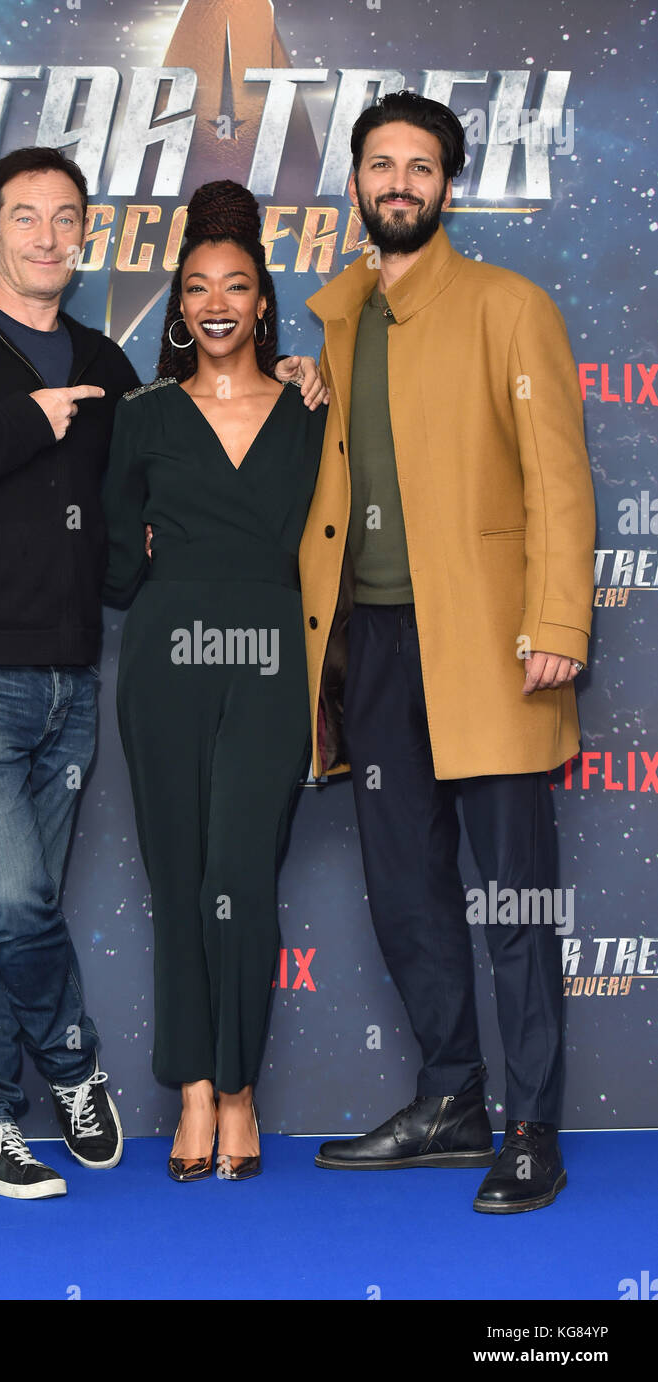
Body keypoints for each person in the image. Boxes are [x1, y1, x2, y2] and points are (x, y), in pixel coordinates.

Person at [0, 147, 322, 1199]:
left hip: (84, 676)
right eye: (24, 217)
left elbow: (136, 533)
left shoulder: (126, 377)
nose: (44, 236)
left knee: (36, 901)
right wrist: (23, 422)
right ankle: (91, 1071)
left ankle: (2, 1113)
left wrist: (311, 368)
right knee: (27, 894)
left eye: (64, 218)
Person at [301, 93, 595, 1213]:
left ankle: (532, 1128)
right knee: (407, 890)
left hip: (487, 641)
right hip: (371, 648)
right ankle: (450, 1101)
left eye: (419, 167)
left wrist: (559, 623)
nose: (398, 184)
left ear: (447, 188)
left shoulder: (509, 306)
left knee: (513, 900)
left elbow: (560, 480)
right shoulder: (338, 323)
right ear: (358, 188)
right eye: (380, 165)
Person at [102, 180, 328, 1181]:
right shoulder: (143, 416)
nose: (217, 300)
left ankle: (241, 1090)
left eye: (236, 283)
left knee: (240, 878)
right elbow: (112, 566)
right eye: (197, 286)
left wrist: (320, 376)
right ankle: (191, 1090)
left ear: (262, 301)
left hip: (273, 658)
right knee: (180, 880)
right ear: (181, 307)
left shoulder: (309, 408)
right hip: (165, 661)